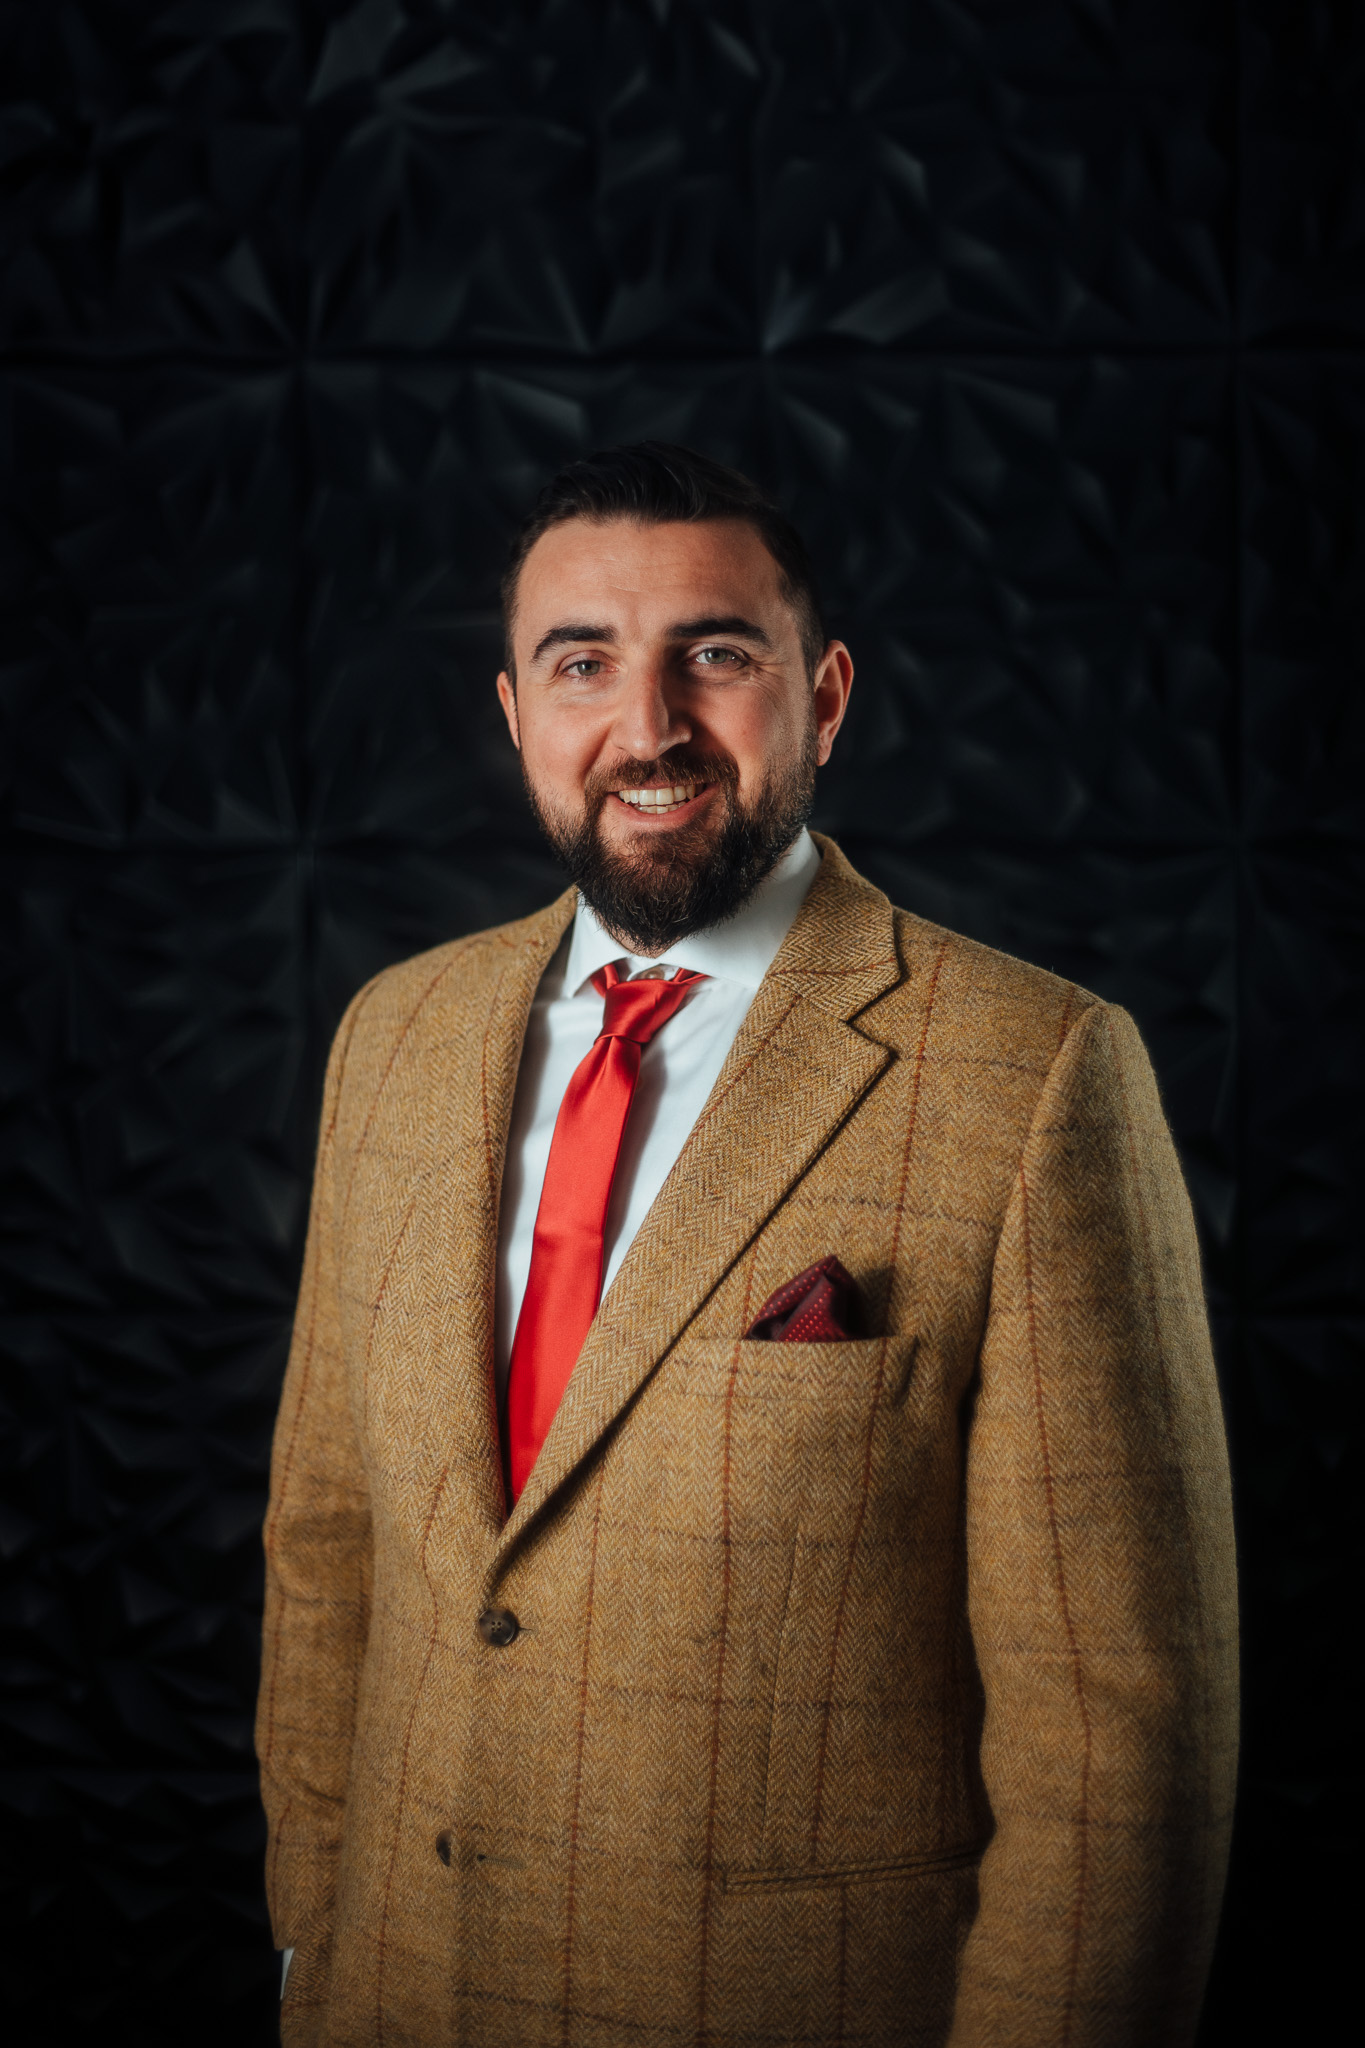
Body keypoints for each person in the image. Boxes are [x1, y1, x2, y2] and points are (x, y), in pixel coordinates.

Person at [257, 443, 1238, 2047]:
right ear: (513, 711)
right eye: (581, 663)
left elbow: (1119, 1728)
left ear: (824, 696)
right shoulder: (395, 1037)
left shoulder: (1033, 1073)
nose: (646, 728)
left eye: (712, 654)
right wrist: (313, 1943)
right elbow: (326, 1545)